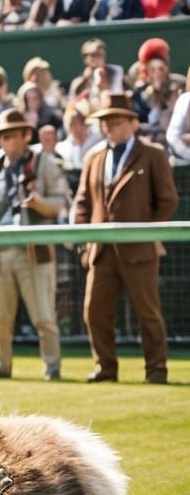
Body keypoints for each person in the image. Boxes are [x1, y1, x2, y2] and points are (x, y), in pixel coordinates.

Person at [71, 91, 176, 383]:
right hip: (101, 251)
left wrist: (147, 233)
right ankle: (105, 368)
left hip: (139, 251)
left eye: (115, 121)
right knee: (94, 312)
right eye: (104, 121)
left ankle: (157, 370)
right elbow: (82, 202)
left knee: (149, 314)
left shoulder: (153, 154)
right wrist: (83, 237)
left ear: (132, 122)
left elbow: (168, 200)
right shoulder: (94, 157)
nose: (109, 127)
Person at [0, 109, 71, 380]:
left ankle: (53, 366)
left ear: (26, 135)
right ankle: (2, 364)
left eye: (11, 135)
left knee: (43, 314)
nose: (6, 141)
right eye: (1, 136)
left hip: (32, 249)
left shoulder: (45, 162)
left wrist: (39, 203)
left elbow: (60, 204)